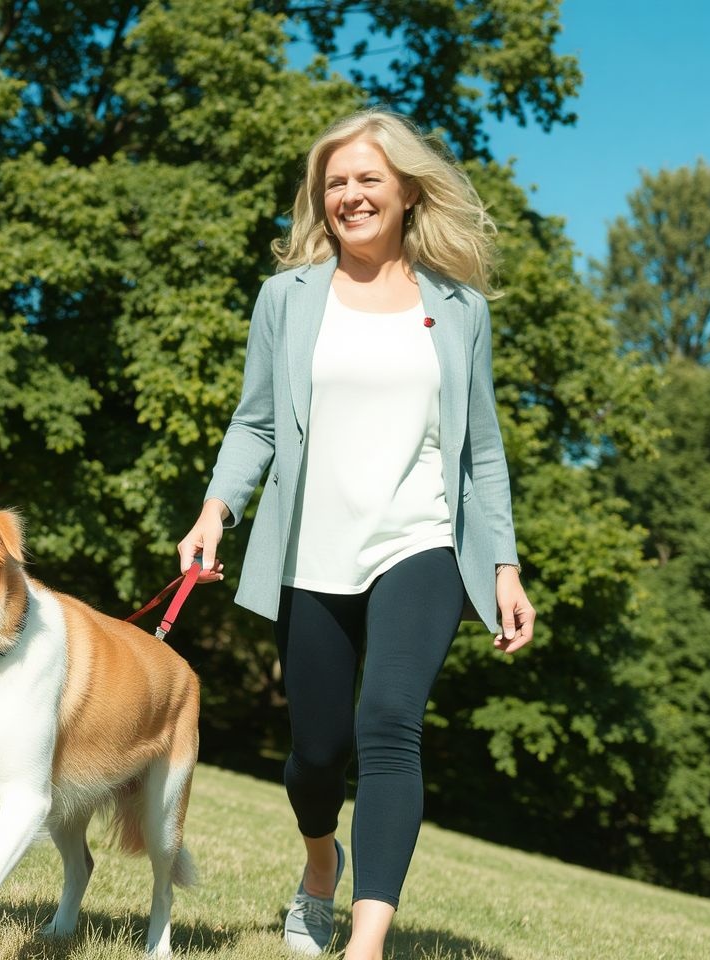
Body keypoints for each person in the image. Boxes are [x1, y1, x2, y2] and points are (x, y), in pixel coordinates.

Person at [176, 109, 536, 960]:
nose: (350, 195)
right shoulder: (288, 299)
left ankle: (366, 943)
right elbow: (255, 423)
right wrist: (213, 510)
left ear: (407, 191)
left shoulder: (460, 309)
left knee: (389, 723)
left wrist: (507, 566)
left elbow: (480, 449)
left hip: (424, 542)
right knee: (317, 753)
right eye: (335, 182)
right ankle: (318, 864)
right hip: (312, 549)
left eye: (368, 178)